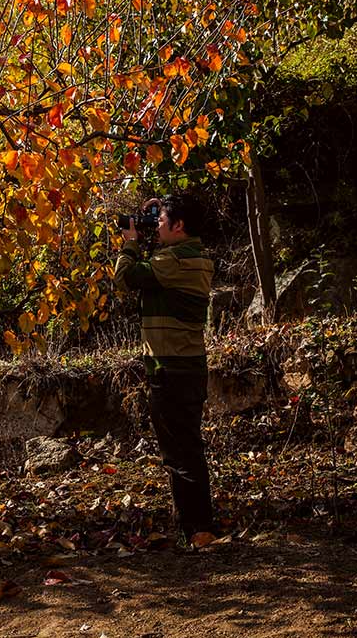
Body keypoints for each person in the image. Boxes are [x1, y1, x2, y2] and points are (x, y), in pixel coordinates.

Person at [113, 194, 216, 540]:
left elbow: (125, 279)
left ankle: (199, 531)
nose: (155, 226)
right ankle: (194, 528)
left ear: (180, 225)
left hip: (172, 371)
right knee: (185, 450)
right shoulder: (190, 257)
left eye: (161, 220)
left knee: (181, 454)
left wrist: (129, 244)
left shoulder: (174, 262)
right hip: (184, 369)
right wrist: (155, 215)